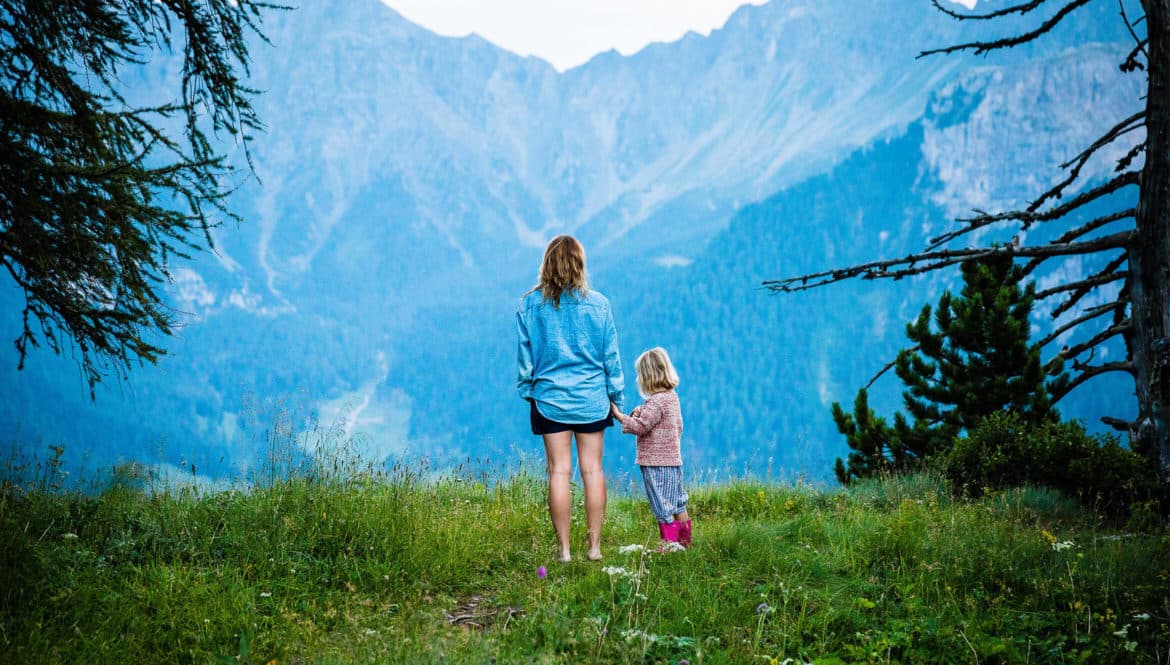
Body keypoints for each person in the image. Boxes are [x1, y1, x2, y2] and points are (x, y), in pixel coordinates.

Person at [517, 235, 625, 562]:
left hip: (549, 400)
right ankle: (594, 548)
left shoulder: (529, 305)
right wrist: (616, 397)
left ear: (547, 263)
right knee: (592, 470)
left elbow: (526, 358)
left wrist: (528, 391)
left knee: (559, 472)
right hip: (592, 400)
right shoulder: (600, 305)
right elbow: (611, 358)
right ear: (580, 263)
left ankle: (564, 551)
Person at [611, 347, 692, 550]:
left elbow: (641, 427)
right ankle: (685, 542)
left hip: (655, 463)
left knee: (662, 504)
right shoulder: (672, 397)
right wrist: (641, 410)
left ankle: (669, 545)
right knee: (678, 501)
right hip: (673, 461)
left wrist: (619, 415)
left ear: (648, 376)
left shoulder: (656, 402)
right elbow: (676, 424)